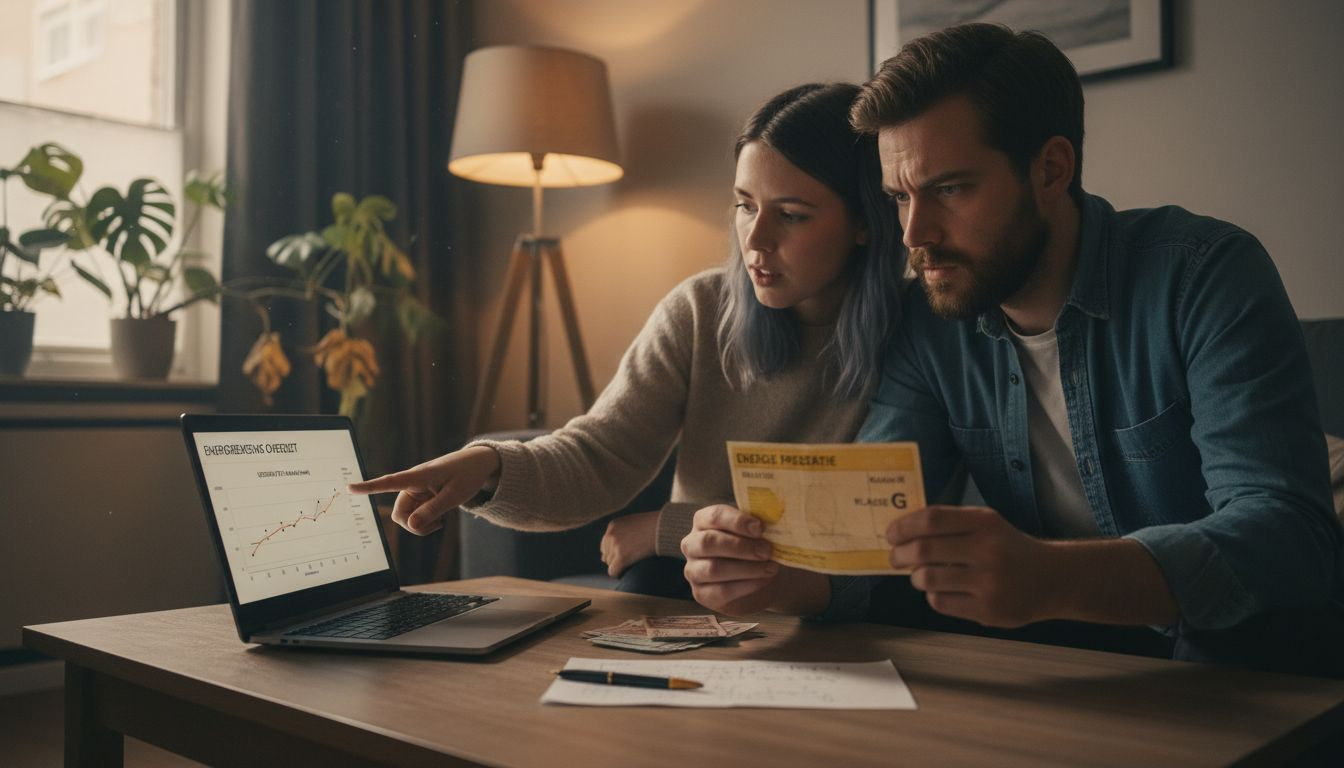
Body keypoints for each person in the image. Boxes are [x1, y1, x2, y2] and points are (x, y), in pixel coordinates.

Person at [681, 23, 1343, 675]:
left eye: (949, 188)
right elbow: (873, 538)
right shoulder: (929, 322)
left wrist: (1052, 577)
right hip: (1058, 650)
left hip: (1236, 647)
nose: (915, 233)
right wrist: (770, 578)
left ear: (1051, 169)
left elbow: (1286, 534)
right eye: (897, 197)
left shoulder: (1203, 275)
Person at [348, 82, 902, 598]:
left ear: (865, 223)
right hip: (694, 572)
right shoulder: (701, 308)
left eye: (792, 215)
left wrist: (667, 526)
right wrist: (486, 468)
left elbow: (863, 523)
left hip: (831, 593)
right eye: (744, 205)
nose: (755, 239)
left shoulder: (918, 331)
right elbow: (599, 455)